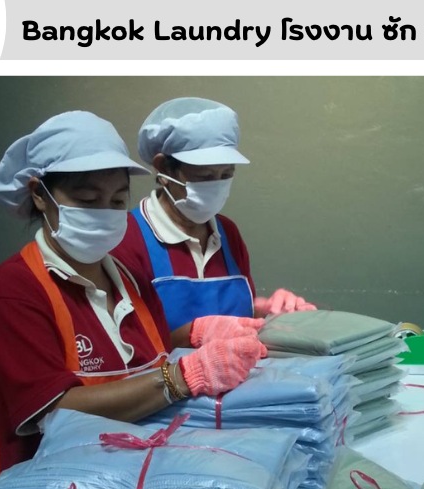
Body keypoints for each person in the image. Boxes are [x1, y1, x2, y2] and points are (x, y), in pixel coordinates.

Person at [0, 110, 267, 476]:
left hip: (136, 464)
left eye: (117, 201)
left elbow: (153, 354)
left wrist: (202, 332)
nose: (105, 213)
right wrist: (181, 377)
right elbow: (55, 411)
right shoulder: (13, 289)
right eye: (88, 200)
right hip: (57, 478)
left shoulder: (129, 280)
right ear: (40, 194)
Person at [111, 97, 316, 341]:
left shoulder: (227, 232)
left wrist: (266, 311)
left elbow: (236, 319)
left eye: (226, 174)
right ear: (163, 168)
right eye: (205, 176)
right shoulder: (127, 236)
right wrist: (194, 334)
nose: (216, 186)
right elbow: (123, 343)